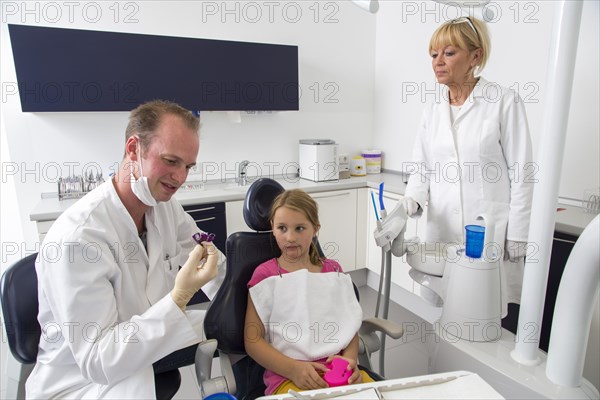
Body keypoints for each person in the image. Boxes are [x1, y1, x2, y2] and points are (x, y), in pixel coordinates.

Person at [27, 100, 226, 398]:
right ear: (134, 149)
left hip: (141, 355)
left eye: (188, 166)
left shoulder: (165, 209)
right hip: (86, 384)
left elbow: (216, 267)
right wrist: (180, 297)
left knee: (237, 334)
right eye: (171, 161)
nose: (181, 178)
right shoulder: (79, 238)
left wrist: (254, 299)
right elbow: (98, 360)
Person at [402, 17, 533, 317]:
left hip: (490, 231)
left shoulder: (503, 102)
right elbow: (421, 167)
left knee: (484, 313)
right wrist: (412, 200)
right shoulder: (433, 109)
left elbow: (523, 173)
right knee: (447, 312)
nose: (438, 62)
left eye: (448, 53)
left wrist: (519, 235)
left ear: (475, 56)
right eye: (433, 54)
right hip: (444, 229)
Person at [244, 189, 374, 396]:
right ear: (272, 228)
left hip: (339, 373)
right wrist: (293, 369)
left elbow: (349, 326)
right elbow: (252, 341)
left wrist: (350, 360)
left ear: (315, 229)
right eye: (282, 228)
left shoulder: (333, 271)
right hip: (288, 377)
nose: (290, 237)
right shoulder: (265, 276)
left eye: (300, 228)